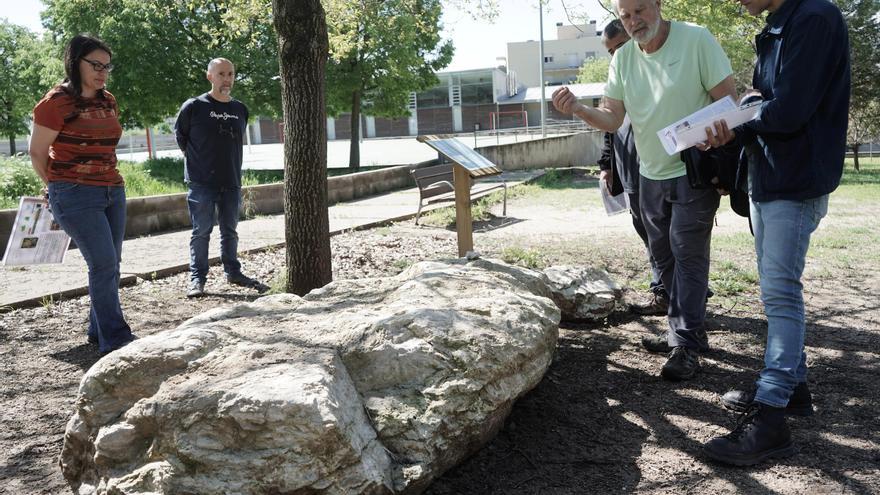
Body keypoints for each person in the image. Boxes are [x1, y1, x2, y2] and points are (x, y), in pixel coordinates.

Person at [552, 0, 737, 381]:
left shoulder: (696, 40)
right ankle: (684, 331)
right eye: (626, 16)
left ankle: (685, 344)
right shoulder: (623, 59)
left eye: (640, 10)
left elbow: (728, 101)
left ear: (658, 5)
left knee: (687, 253)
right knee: (663, 257)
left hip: (693, 170)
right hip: (649, 174)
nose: (634, 21)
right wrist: (579, 110)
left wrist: (719, 137)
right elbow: (613, 118)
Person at [704, 0, 850, 466]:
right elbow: (768, 104)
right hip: (768, 177)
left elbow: (789, 111)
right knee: (774, 290)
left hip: (796, 179)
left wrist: (739, 120)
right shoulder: (776, 27)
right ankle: (794, 388)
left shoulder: (813, 19)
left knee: (782, 292)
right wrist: (739, 119)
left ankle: (770, 418)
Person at [29, 34, 135, 355]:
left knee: (111, 263)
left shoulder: (108, 100)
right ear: (76, 63)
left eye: (107, 66)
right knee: (103, 263)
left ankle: (97, 329)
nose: (103, 72)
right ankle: (116, 339)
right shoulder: (55, 103)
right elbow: (37, 153)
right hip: (74, 193)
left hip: (112, 190)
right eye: (96, 65)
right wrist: (57, 186)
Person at [174, 58, 267, 298]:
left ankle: (233, 272)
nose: (227, 79)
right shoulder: (194, 106)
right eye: (221, 74)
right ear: (210, 76)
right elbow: (181, 138)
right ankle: (197, 279)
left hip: (231, 181)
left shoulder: (240, 109)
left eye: (230, 74)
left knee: (230, 231)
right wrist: (200, 162)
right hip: (201, 182)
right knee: (201, 232)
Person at [595, 19, 667, 317]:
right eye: (611, 51)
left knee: (666, 233)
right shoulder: (618, 74)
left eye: (620, 46)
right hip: (628, 167)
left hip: (659, 165)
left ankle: (677, 294)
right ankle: (664, 291)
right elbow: (609, 124)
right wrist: (606, 165)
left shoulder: (657, 70)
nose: (617, 55)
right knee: (646, 229)